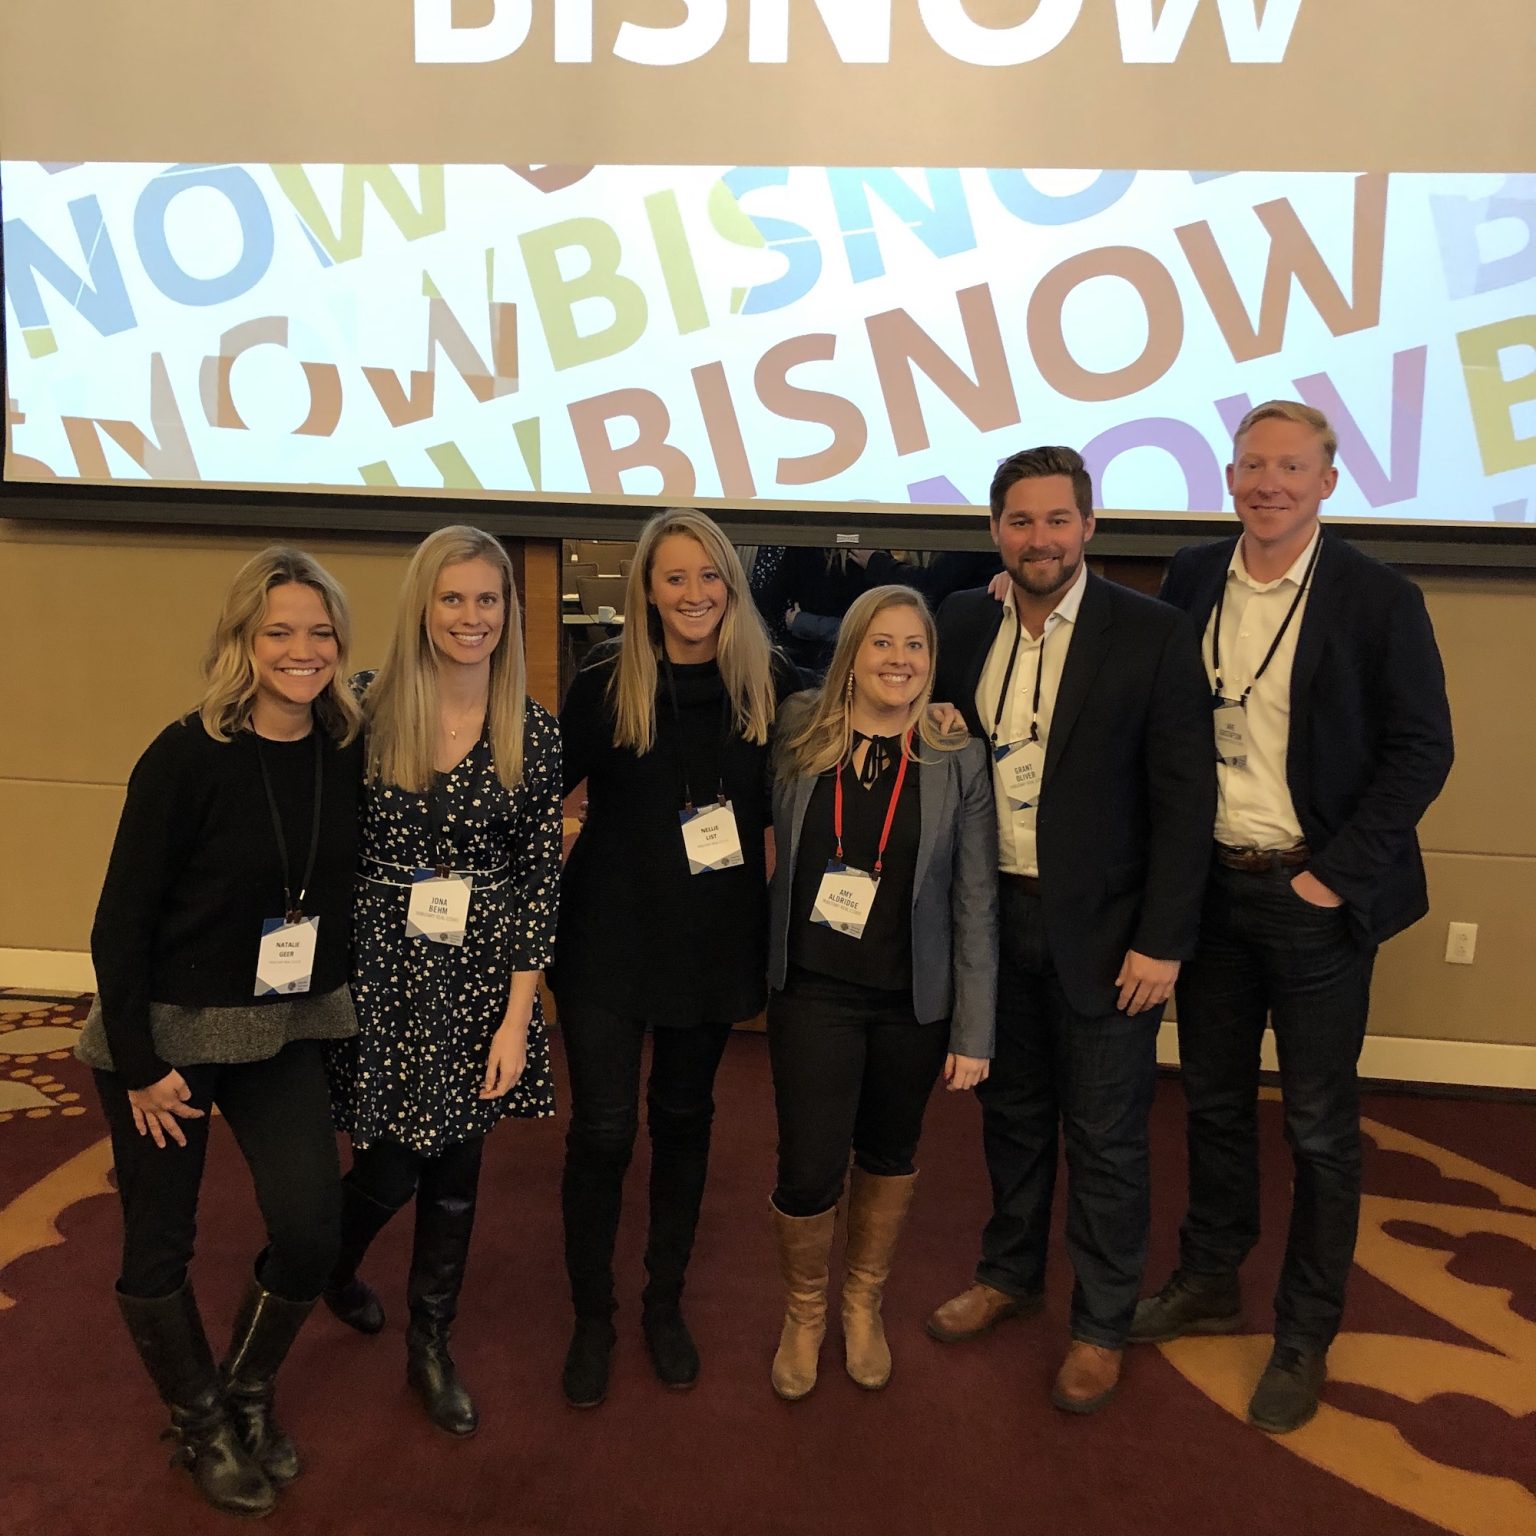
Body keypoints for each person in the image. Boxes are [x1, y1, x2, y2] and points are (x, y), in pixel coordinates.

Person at [1131, 401, 1454, 1434]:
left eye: (1291, 467)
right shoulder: (1192, 576)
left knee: (1318, 1128)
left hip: (1315, 897)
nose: (1268, 483)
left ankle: (1305, 1330)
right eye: (1252, 465)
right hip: (1213, 893)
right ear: (1230, 477)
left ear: (1327, 481)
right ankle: (1210, 1279)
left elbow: (1423, 750)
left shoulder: (1379, 597)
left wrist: (1335, 879)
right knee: (1214, 1103)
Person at [924, 445, 1214, 1413]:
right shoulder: (962, 621)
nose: (1038, 538)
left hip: (1108, 933)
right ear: (994, 530)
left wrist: (1164, 940)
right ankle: (1008, 1274)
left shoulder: (1153, 633)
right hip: (991, 918)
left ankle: (1100, 1322)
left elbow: (1185, 801)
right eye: (1020, 521)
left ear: (1089, 526)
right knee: (1009, 1118)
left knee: (1106, 1138)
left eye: (1057, 519)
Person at [76, 547, 364, 1517]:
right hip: (165, 1040)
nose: (301, 650)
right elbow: (118, 925)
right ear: (241, 640)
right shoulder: (184, 756)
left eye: (320, 632)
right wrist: (141, 1064)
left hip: (281, 1029)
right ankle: (199, 1422)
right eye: (278, 631)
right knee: (160, 1241)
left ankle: (244, 1390)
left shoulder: (345, 748)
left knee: (311, 1230)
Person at [553, 507, 799, 1408]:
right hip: (606, 941)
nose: (695, 593)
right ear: (647, 591)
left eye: (709, 575)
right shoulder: (604, 681)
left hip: (712, 941)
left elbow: (862, 713)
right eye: (674, 578)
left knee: (685, 1121)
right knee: (604, 1132)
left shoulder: (770, 683)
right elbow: (538, 792)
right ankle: (593, 1316)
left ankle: (663, 1302)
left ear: (730, 583)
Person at [323, 525, 563, 1438]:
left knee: (457, 1164)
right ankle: (325, 1262)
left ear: (508, 611)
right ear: (422, 607)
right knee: (388, 1158)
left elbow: (538, 884)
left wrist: (517, 1018)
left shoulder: (532, 732)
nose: (471, 616)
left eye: (487, 599)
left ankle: (430, 1343)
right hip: (381, 968)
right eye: (452, 598)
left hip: (479, 976)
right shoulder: (364, 708)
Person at [765, 585, 998, 1401]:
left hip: (910, 1001)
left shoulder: (956, 754)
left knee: (889, 1155)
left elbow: (975, 898)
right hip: (813, 991)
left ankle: (861, 1305)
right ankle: (804, 1313)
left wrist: (974, 1029)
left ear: (932, 661)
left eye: (915, 646)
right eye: (882, 643)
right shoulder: (799, 729)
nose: (899, 660)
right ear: (851, 653)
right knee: (808, 1167)